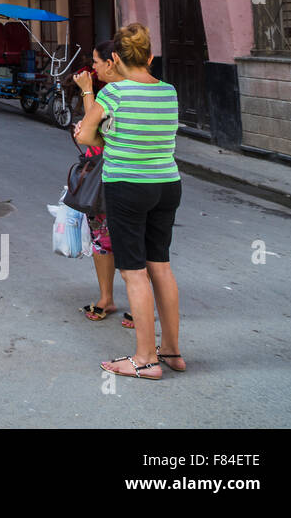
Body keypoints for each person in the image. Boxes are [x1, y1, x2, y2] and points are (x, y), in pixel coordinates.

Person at [75, 23, 184, 380]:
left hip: (127, 186)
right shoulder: (169, 91)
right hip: (167, 184)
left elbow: (86, 135)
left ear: (117, 58)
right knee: (161, 267)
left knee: (134, 272)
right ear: (149, 56)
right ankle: (171, 350)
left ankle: (145, 359)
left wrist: (110, 142)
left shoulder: (114, 94)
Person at [72, 40, 128, 324]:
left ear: (112, 61)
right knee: (103, 240)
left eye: (96, 61)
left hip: (116, 176)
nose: (92, 67)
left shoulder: (116, 94)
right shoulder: (112, 92)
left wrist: (86, 91)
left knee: (119, 240)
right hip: (104, 173)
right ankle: (107, 298)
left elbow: (94, 131)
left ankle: (131, 304)